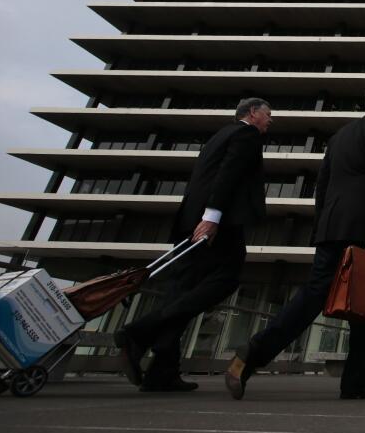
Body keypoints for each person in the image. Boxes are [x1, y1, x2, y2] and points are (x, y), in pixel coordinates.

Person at [223, 82, 365, 400]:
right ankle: (256, 351)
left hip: (332, 224)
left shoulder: (340, 136)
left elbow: (322, 186)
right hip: (362, 226)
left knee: (338, 300)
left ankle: (354, 380)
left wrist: (321, 226)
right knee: (357, 303)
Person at [114, 98, 271, 392]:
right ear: (252, 113)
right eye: (267, 115)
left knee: (181, 290)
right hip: (218, 223)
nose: (269, 121)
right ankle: (139, 331)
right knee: (226, 279)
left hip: (191, 219)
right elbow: (229, 174)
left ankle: (162, 371)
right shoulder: (245, 134)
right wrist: (212, 217)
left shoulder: (218, 135)